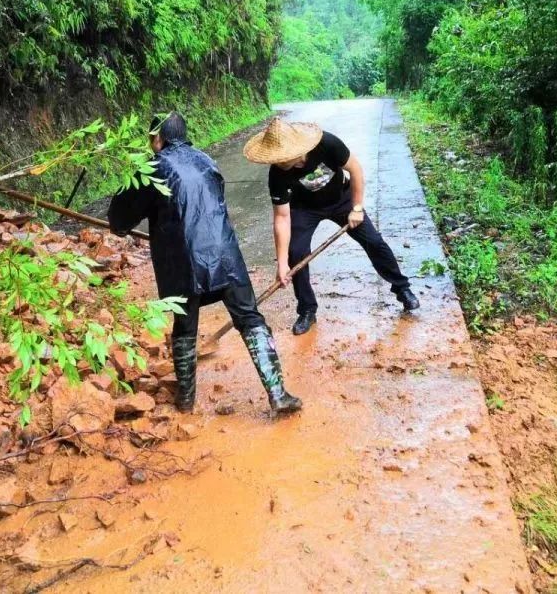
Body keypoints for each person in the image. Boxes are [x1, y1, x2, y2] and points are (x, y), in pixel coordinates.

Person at [108, 112, 302, 416]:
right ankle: (278, 393)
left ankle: (185, 401)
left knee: (185, 326)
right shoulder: (207, 161)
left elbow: (119, 220)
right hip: (225, 254)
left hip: (181, 261)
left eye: (151, 139)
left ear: (157, 139)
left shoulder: (150, 168)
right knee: (250, 318)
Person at [243, 117, 419, 335]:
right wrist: (281, 264)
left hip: (341, 200)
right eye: (276, 159)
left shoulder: (327, 144)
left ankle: (402, 289)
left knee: (374, 242)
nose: (280, 163)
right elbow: (282, 217)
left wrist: (356, 208)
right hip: (304, 209)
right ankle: (307, 310)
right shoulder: (277, 174)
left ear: (297, 148)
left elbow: (355, 170)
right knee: (295, 252)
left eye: (284, 158)